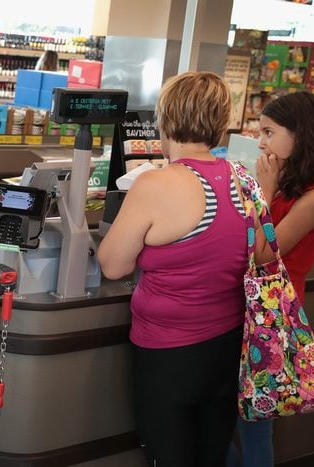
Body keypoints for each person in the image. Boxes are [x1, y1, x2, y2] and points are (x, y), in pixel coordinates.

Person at [97, 71, 248, 467]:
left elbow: (113, 265)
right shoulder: (244, 180)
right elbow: (260, 253)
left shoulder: (155, 185)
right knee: (211, 455)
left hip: (169, 354)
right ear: (221, 121)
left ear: (165, 120)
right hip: (229, 346)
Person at [228, 91, 314, 467]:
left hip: (273, 314)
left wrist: (264, 189)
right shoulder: (284, 175)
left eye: (270, 132)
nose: (261, 142)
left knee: (256, 419)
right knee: (223, 414)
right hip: (245, 304)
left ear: (299, 134)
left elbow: (263, 253)